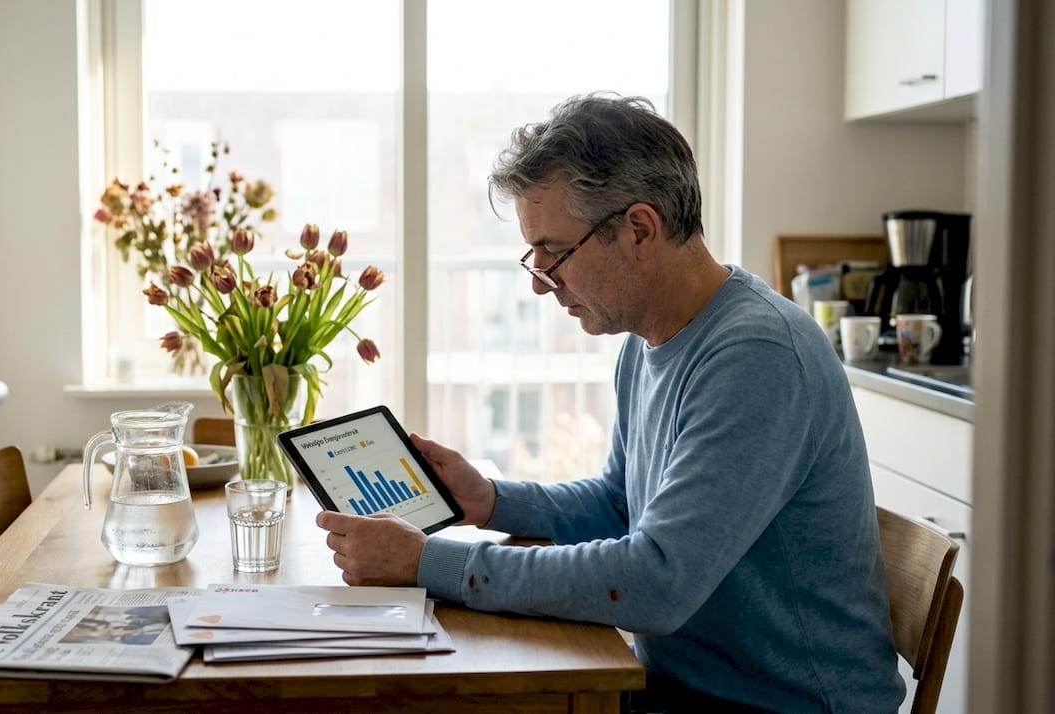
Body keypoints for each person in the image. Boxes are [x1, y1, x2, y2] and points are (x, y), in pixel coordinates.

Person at [316, 92, 904, 712]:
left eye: (554, 252)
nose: (540, 282)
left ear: (639, 229)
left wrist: (429, 563)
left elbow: (655, 581)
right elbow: (622, 504)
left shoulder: (756, 357)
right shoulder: (649, 339)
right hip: (681, 690)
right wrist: (489, 500)